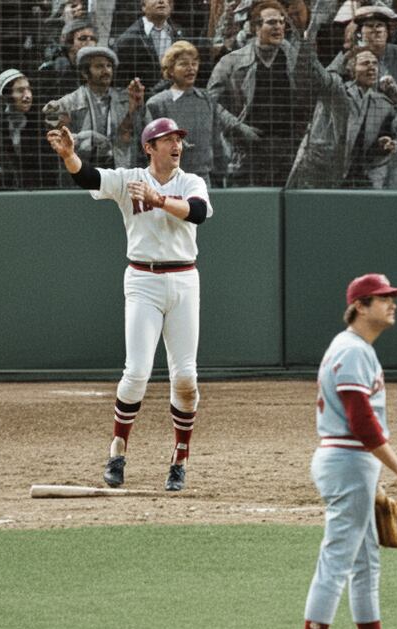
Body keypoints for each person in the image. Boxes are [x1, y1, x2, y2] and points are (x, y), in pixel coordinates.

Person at [46, 116, 211, 491]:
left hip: (184, 279)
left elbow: (198, 212)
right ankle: (118, 451)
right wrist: (70, 156)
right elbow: (89, 178)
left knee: (185, 378)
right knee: (136, 372)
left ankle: (179, 459)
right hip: (142, 280)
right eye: (167, 140)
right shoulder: (130, 178)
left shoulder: (191, 182)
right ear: (149, 147)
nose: (176, 146)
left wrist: (159, 199)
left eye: (179, 139)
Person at [294, 272, 397, 629]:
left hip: (354, 465)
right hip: (347, 460)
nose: (392, 304)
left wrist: (375, 482)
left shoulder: (355, 349)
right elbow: (362, 423)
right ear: (360, 306)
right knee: (335, 563)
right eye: (382, 298)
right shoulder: (352, 351)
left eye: (391, 297)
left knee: (366, 563)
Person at [207, 0, 308, 187]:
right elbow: (210, 103)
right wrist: (237, 127)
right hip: (247, 150)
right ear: (255, 27)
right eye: (271, 22)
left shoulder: (297, 60)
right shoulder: (231, 62)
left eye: (281, 22)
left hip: (288, 151)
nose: (278, 27)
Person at [286, 33, 397, 189]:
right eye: (365, 63)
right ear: (351, 69)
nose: (372, 67)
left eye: (375, 63)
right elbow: (319, 75)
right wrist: (342, 56)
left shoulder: (382, 103)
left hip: (355, 177)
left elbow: (379, 144)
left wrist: (382, 145)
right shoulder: (337, 90)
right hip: (321, 172)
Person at [143, 39, 259, 186]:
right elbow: (149, 149)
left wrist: (223, 173)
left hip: (203, 181)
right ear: (170, 70)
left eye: (194, 63)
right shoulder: (157, 104)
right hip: (168, 181)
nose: (191, 68)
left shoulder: (207, 100)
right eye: (184, 64)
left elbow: (217, 142)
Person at [42, 45, 145, 169]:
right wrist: (87, 137)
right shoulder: (67, 103)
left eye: (109, 66)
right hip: (82, 174)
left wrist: (134, 107)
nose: (106, 71)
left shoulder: (126, 100)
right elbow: (59, 141)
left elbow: (131, 137)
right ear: (85, 73)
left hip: (118, 172)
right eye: (99, 66)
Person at [112, 0, 188, 92]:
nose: (161, 1)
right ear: (143, 6)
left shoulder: (180, 35)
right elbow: (119, 83)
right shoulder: (127, 40)